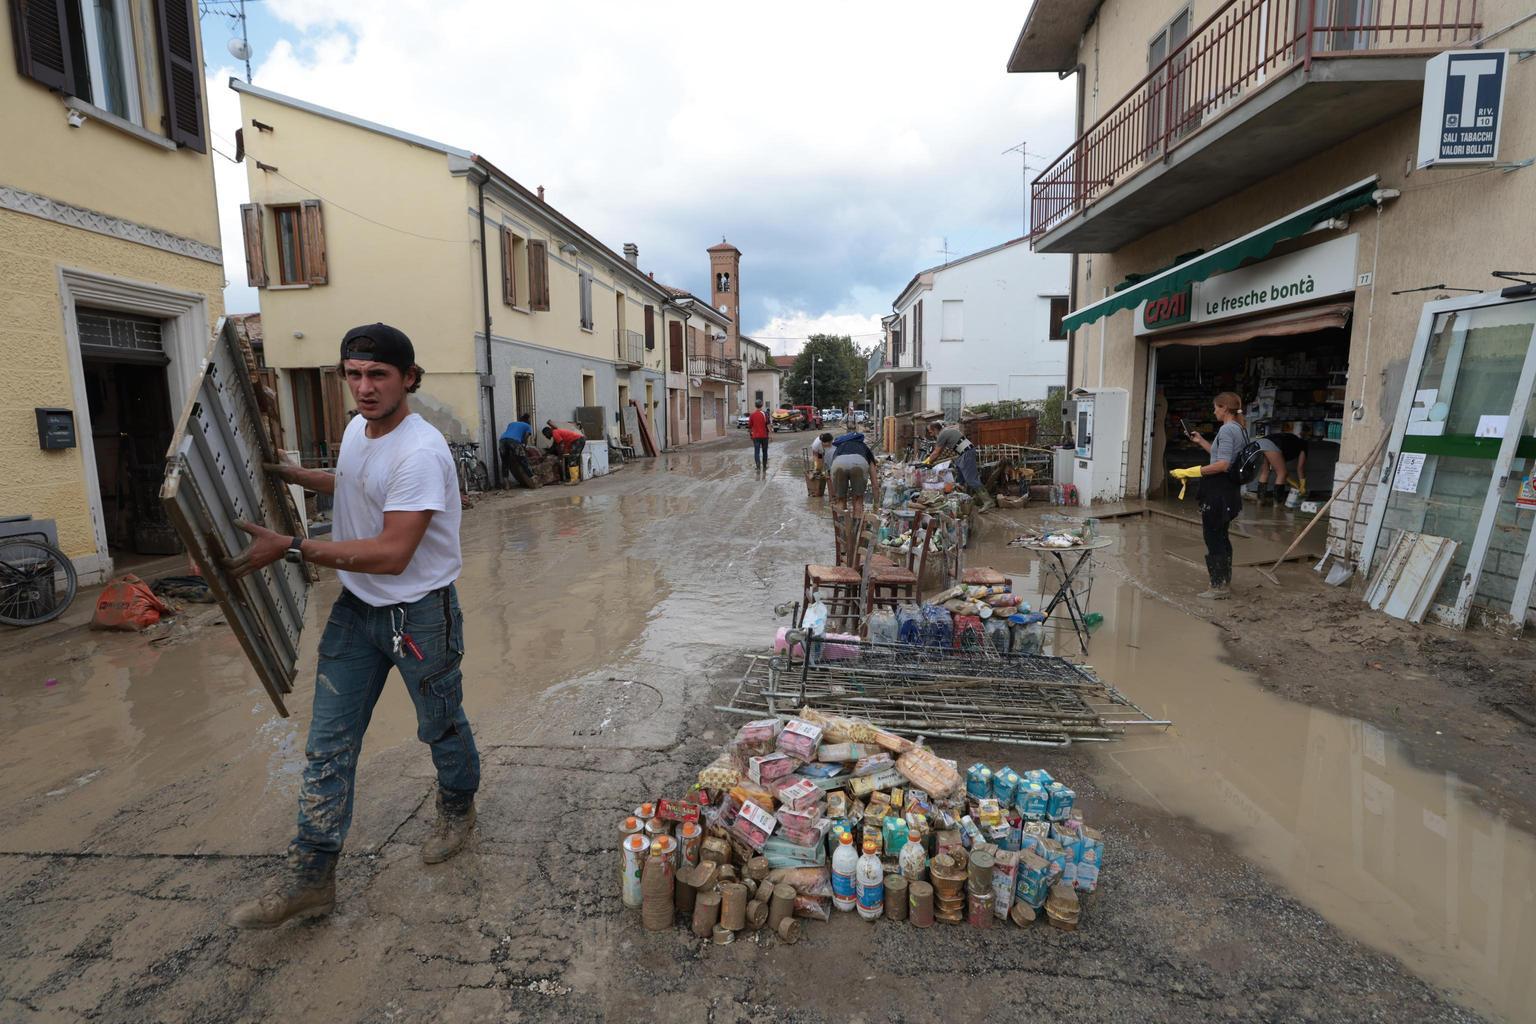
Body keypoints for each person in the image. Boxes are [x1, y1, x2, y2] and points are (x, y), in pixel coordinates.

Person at [225, 323, 480, 929]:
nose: (363, 388)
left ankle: (458, 806)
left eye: (378, 375)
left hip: (419, 614)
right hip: (355, 612)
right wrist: (288, 475)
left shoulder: (421, 452)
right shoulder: (358, 431)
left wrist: (290, 547)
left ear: (409, 379)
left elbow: (393, 552)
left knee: (440, 723)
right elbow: (356, 484)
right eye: (354, 374)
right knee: (327, 745)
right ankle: (312, 878)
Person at [1171, 391, 1248, 601]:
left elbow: (1223, 465)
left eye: (1216, 407)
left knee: (1213, 536)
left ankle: (1218, 587)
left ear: (1224, 408)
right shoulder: (1239, 429)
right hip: (1230, 491)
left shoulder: (1226, 430)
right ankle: (1225, 581)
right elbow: (1222, 456)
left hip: (1218, 492)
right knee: (1222, 535)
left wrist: (1190, 472)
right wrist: (1201, 441)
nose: (1214, 411)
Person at [926, 420, 993, 511]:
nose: (931, 435)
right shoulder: (946, 431)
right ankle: (966, 496)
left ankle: (988, 501)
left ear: (935, 429)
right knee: (958, 469)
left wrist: (926, 462)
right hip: (964, 453)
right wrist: (930, 460)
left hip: (966, 453)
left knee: (971, 479)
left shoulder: (942, 434)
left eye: (931, 432)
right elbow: (940, 451)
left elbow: (936, 453)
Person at [829, 430, 877, 520]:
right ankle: (856, 528)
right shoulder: (864, 447)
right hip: (859, 463)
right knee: (858, 499)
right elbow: (875, 484)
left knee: (841, 499)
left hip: (838, 463)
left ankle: (842, 530)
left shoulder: (839, 448)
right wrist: (876, 505)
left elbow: (831, 476)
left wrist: (835, 495)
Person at [1254, 431, 1306, 507]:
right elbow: (1300, 468)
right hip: (1272, 444)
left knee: (1265, 472)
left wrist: (1291, 481)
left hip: (1260, 443)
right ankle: (1277, 505)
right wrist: (1302, 485)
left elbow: (1280, 465)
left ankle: (1260, 502)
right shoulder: (1303, 445)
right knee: (1282, 473)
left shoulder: (1290, 442)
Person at [498, 412, 535, 487]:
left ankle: (506, 485)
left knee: (505, 463)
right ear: (528, 421)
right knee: (523, 461)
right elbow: (526, 437)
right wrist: (524, 446)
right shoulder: (527, 426)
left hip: (502, 440)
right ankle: (533, 480)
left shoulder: (511, 423)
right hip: (513, 442)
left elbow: (509, 434)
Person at [748, 399, 770, 472]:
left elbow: (750, 426)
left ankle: (758, 466)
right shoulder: (765, 414)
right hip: (764, 436)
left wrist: (751, 435)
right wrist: (771, 435)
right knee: (765, 451)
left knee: (756, 452)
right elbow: (768, 425)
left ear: (755, 405)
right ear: (762, 405)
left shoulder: (752, 415)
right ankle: (764, 466)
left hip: (756, 437)